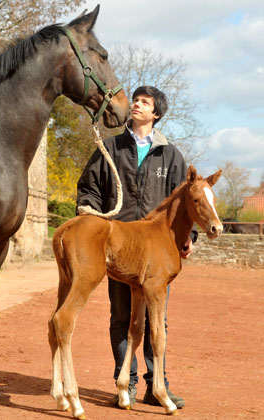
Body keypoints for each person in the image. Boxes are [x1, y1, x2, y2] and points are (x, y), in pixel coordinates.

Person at [76, 86, 197, 409]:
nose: (137, 105)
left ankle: (157, 384)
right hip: (117, 246)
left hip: (157, 251)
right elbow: (88, 188)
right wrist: (90, 220)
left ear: (157, 113)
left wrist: (189, 238)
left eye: (145, 102)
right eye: (136, 100)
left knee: (158, 319)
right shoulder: (111, 147)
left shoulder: (170, 154)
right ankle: (125, 383)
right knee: (121, 316)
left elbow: (187, 203)